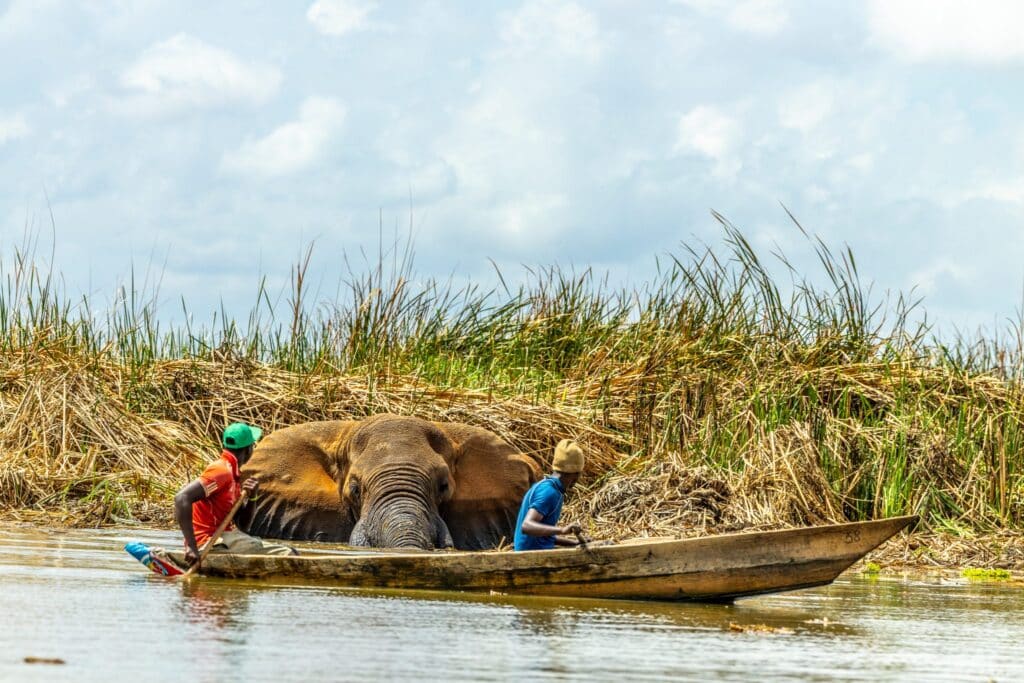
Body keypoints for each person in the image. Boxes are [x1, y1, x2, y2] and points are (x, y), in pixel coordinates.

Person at [174, 422, 295, 566]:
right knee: (289, 554)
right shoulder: (221, 471)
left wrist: (252, 497)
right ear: (248, 450)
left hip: (225, 538)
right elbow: (182, 498)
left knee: (278, 549)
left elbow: (243, 526)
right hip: (210, 541)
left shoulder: (233, 476)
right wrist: (191, 546)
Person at [513, 439, 587, 551]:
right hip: (533, 555)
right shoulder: (549, 492)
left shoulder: (551, 487)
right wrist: (562, 530)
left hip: (538, 550)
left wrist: (574, 543)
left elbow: (544, 536)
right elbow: (527, 526)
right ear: (576, 474)